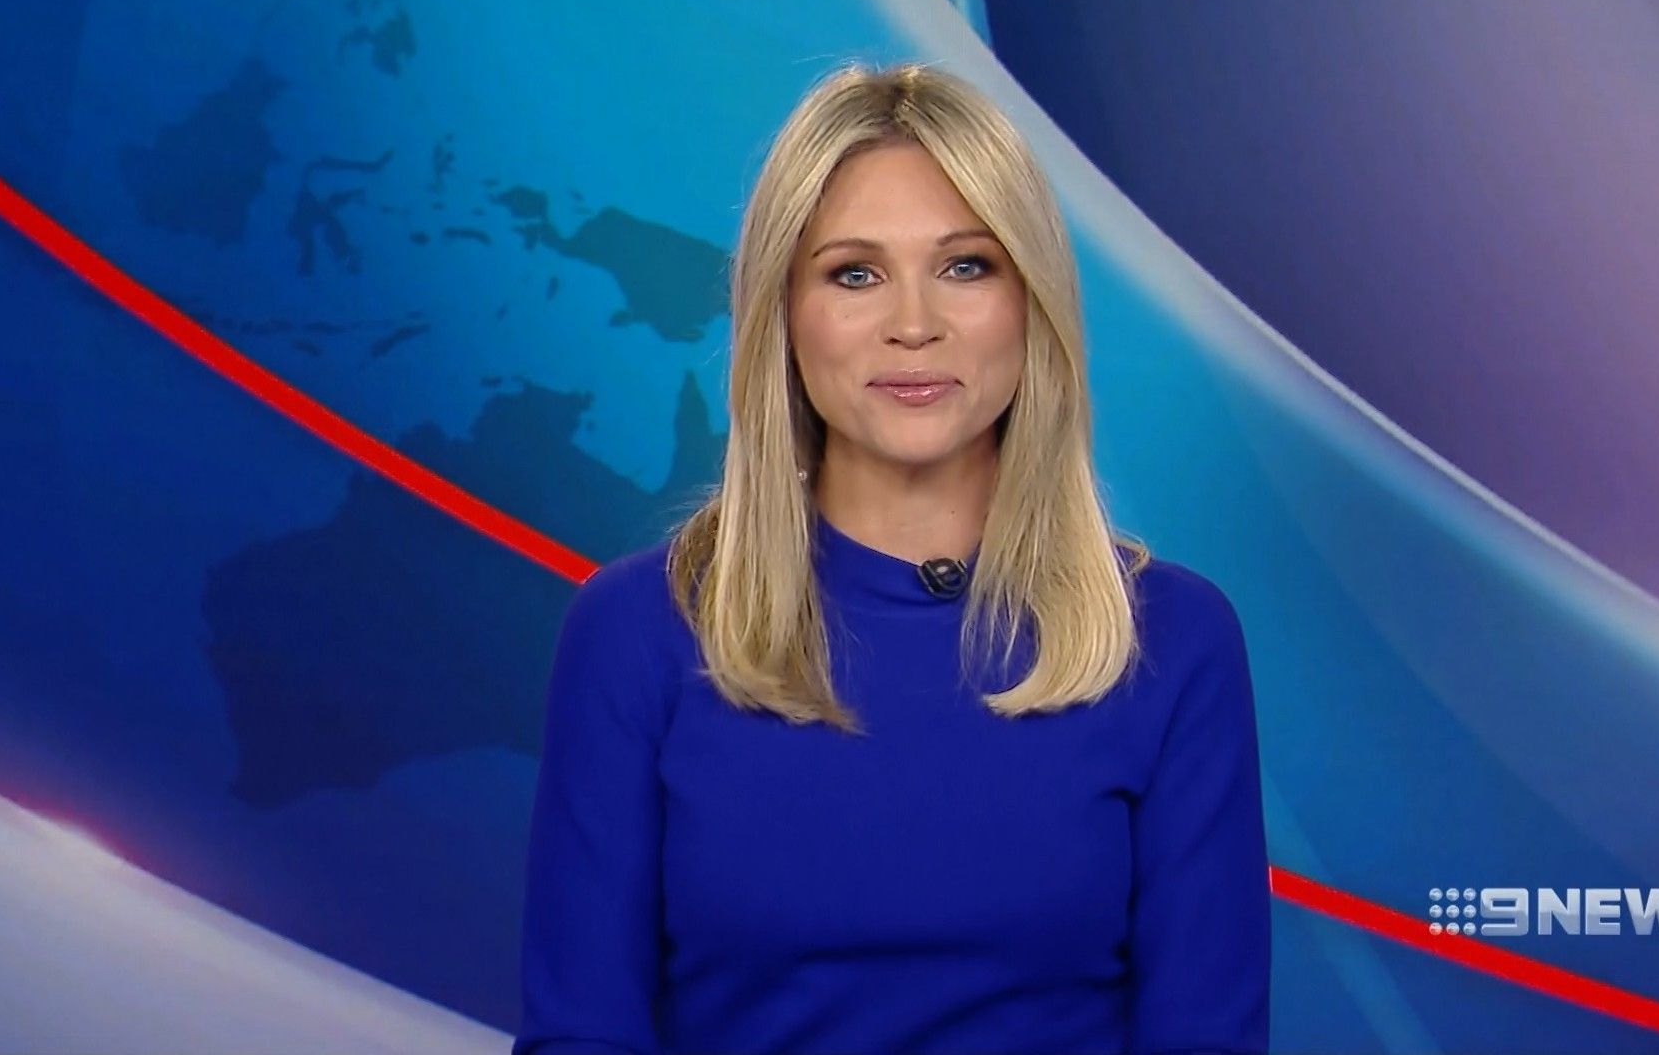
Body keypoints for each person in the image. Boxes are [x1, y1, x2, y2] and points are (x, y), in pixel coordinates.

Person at [513, 61, 1270, 1055]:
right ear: (783, 314)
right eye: (854, 274)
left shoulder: (1174, 640)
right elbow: (582, 1036)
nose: (914, 325)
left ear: (1031, 302)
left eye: (966, 267)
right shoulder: (636, 632)